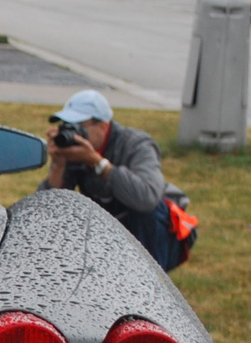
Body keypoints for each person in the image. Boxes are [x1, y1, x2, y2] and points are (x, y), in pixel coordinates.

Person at [38, 89, 183, 269]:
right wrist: (58, 165)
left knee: (147, 212)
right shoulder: (72, 150)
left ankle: (150, 280)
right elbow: (48, 211)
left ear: (103, 126)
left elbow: (147, 198)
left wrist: (98, 163)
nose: (72, 134)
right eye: (66, 126)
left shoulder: (136, 144)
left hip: (154, 230)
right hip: (107, 224)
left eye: (78, 127)